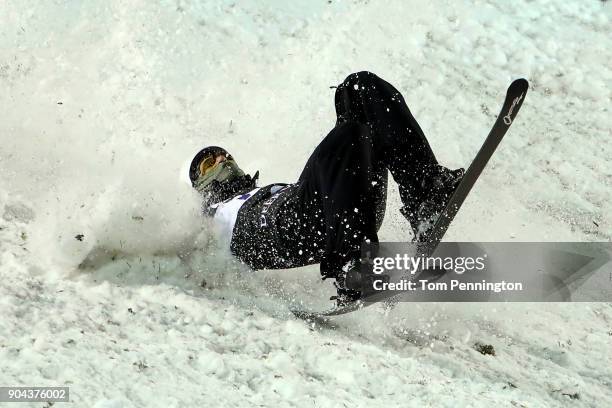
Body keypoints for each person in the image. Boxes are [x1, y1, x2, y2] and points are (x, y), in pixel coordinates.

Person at [188, 71, 464, 305]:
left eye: (223, 155)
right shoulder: (208, 220)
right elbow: (182, 250)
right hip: (283, 227)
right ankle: (351, 267)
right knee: (347, 136)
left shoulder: (257, 190)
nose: (222, 159)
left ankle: (426, 196)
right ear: (202, 185)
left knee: (359, 86)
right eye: (209, 162)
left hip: (337, 207)